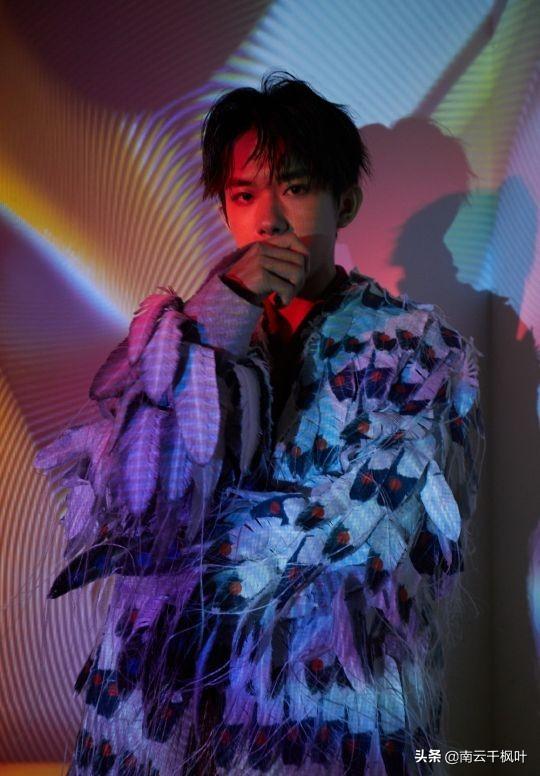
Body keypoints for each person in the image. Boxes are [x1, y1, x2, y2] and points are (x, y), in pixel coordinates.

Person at [35, 71, 484, 775]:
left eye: (295, 188)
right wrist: (221, 320)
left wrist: (198, 562)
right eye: (244, 195)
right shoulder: (180, 342)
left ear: (345, 202)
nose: (268, 219)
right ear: (224, 208)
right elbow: (138, 503)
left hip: (325, 712)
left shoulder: (419, 350)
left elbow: (381, 537)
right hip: (163, 706)